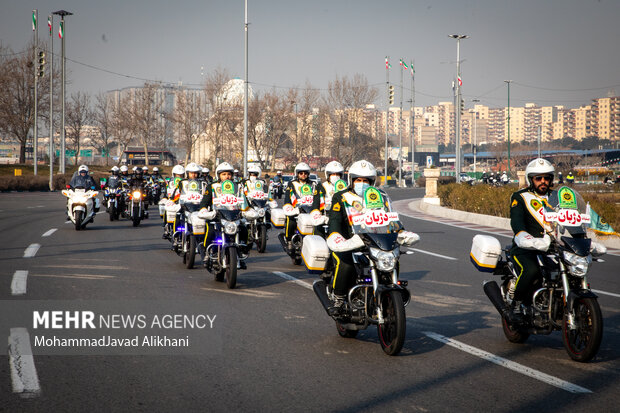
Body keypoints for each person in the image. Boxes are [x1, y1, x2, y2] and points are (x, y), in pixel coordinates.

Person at [325, 160, 419, 315]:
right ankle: (339, 298)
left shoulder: (381, 196)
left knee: (392, 261)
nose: (362, 183)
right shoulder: (341, 197)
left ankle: (391, 299)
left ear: (372, 182)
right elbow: (335, 221)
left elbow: (391, 220)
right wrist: (337, 238)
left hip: (377, 241)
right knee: (346, 264)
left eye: (366, 181)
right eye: (358, 180)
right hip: (350, 242)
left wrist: (401, 232)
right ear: (352, 180)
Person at [507, 158, 558, 322]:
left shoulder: (558, 197)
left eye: (547, 178)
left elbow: (573, 220)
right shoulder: (520, 197)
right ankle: (516, 304)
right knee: (531, 271)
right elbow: (517, 222)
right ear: (531, 179)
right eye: (538, 178)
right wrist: (524, 238)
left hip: (554, 248)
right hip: (526, 248)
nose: (543, 181)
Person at [198, 162, 251, 269]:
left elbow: (244, 202)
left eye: (229, 174)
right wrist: (204, 211)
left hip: (234, 216)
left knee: (244, 230)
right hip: (217, 217)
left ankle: (241, 252)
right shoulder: (212, 186)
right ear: (219, 175)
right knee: (210, 231)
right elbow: (205, 202)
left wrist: (248, 211)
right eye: (224, 174)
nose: (227, 176)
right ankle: (207, 254)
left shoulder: (238, 186)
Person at [283, 162, 314, 248]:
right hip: (297, 209)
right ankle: (289, 240)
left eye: (305, 173)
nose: (303, 175)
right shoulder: (291, 183)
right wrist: (289, 206)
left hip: (310, 209)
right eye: (301, 173)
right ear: (297, 174)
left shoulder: (313, 184)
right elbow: (288, 197)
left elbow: (318, 196)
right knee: (291, 221)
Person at [310, 160, 345, 238]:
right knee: (318, 235)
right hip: (324, 216)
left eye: (337, 174)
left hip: (341, 218)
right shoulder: (321, 186)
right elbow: (316, 204)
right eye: (333, 174)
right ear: (328, 175)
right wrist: (319, 216)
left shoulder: (345, 187)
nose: (335, 176)